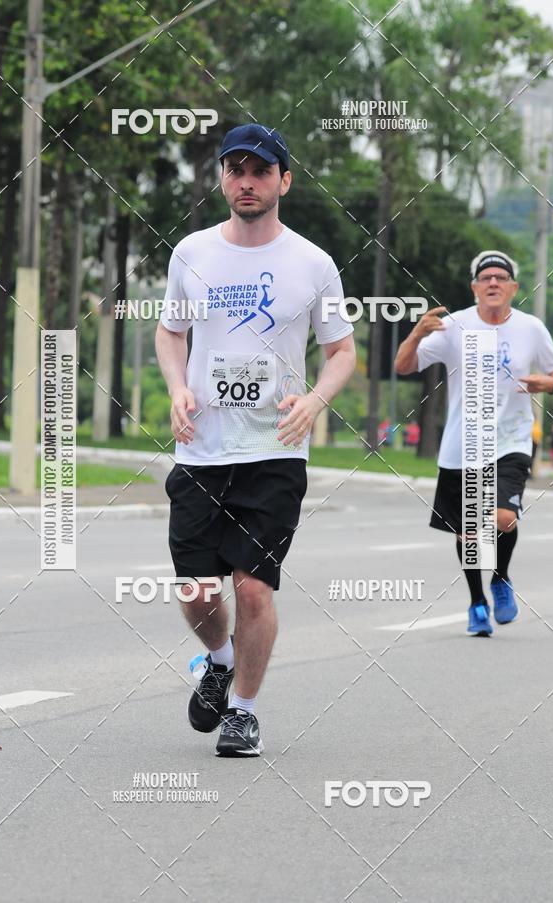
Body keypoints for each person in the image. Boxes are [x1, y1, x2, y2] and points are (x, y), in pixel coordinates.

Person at [155, 124, 356, 756]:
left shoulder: (313, 262)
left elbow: (342, 352)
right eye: (235, 169)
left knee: (252, 586)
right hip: (201, 448)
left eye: (260, 171)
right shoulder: (190, 253)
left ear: (283, 180)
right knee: (195, 591)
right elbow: (170, 333)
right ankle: (218, 660)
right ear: (221, 178)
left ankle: (243, 710)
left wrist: (316, 400)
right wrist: (175, 387)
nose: (247, 181)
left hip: (274, 450)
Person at [394, 249, 553, 636]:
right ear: (475, 287)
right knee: (470, 534)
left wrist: (551, 383)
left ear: (513, 288)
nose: (493, 283)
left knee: (503, 519)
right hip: (463, 445)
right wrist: (417, 333)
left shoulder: (531, 328)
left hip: (511, 439)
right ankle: (477, 601)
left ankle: (501, 578)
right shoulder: (454, 325)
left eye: (500, 278)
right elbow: (404, 366)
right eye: (485, 278)